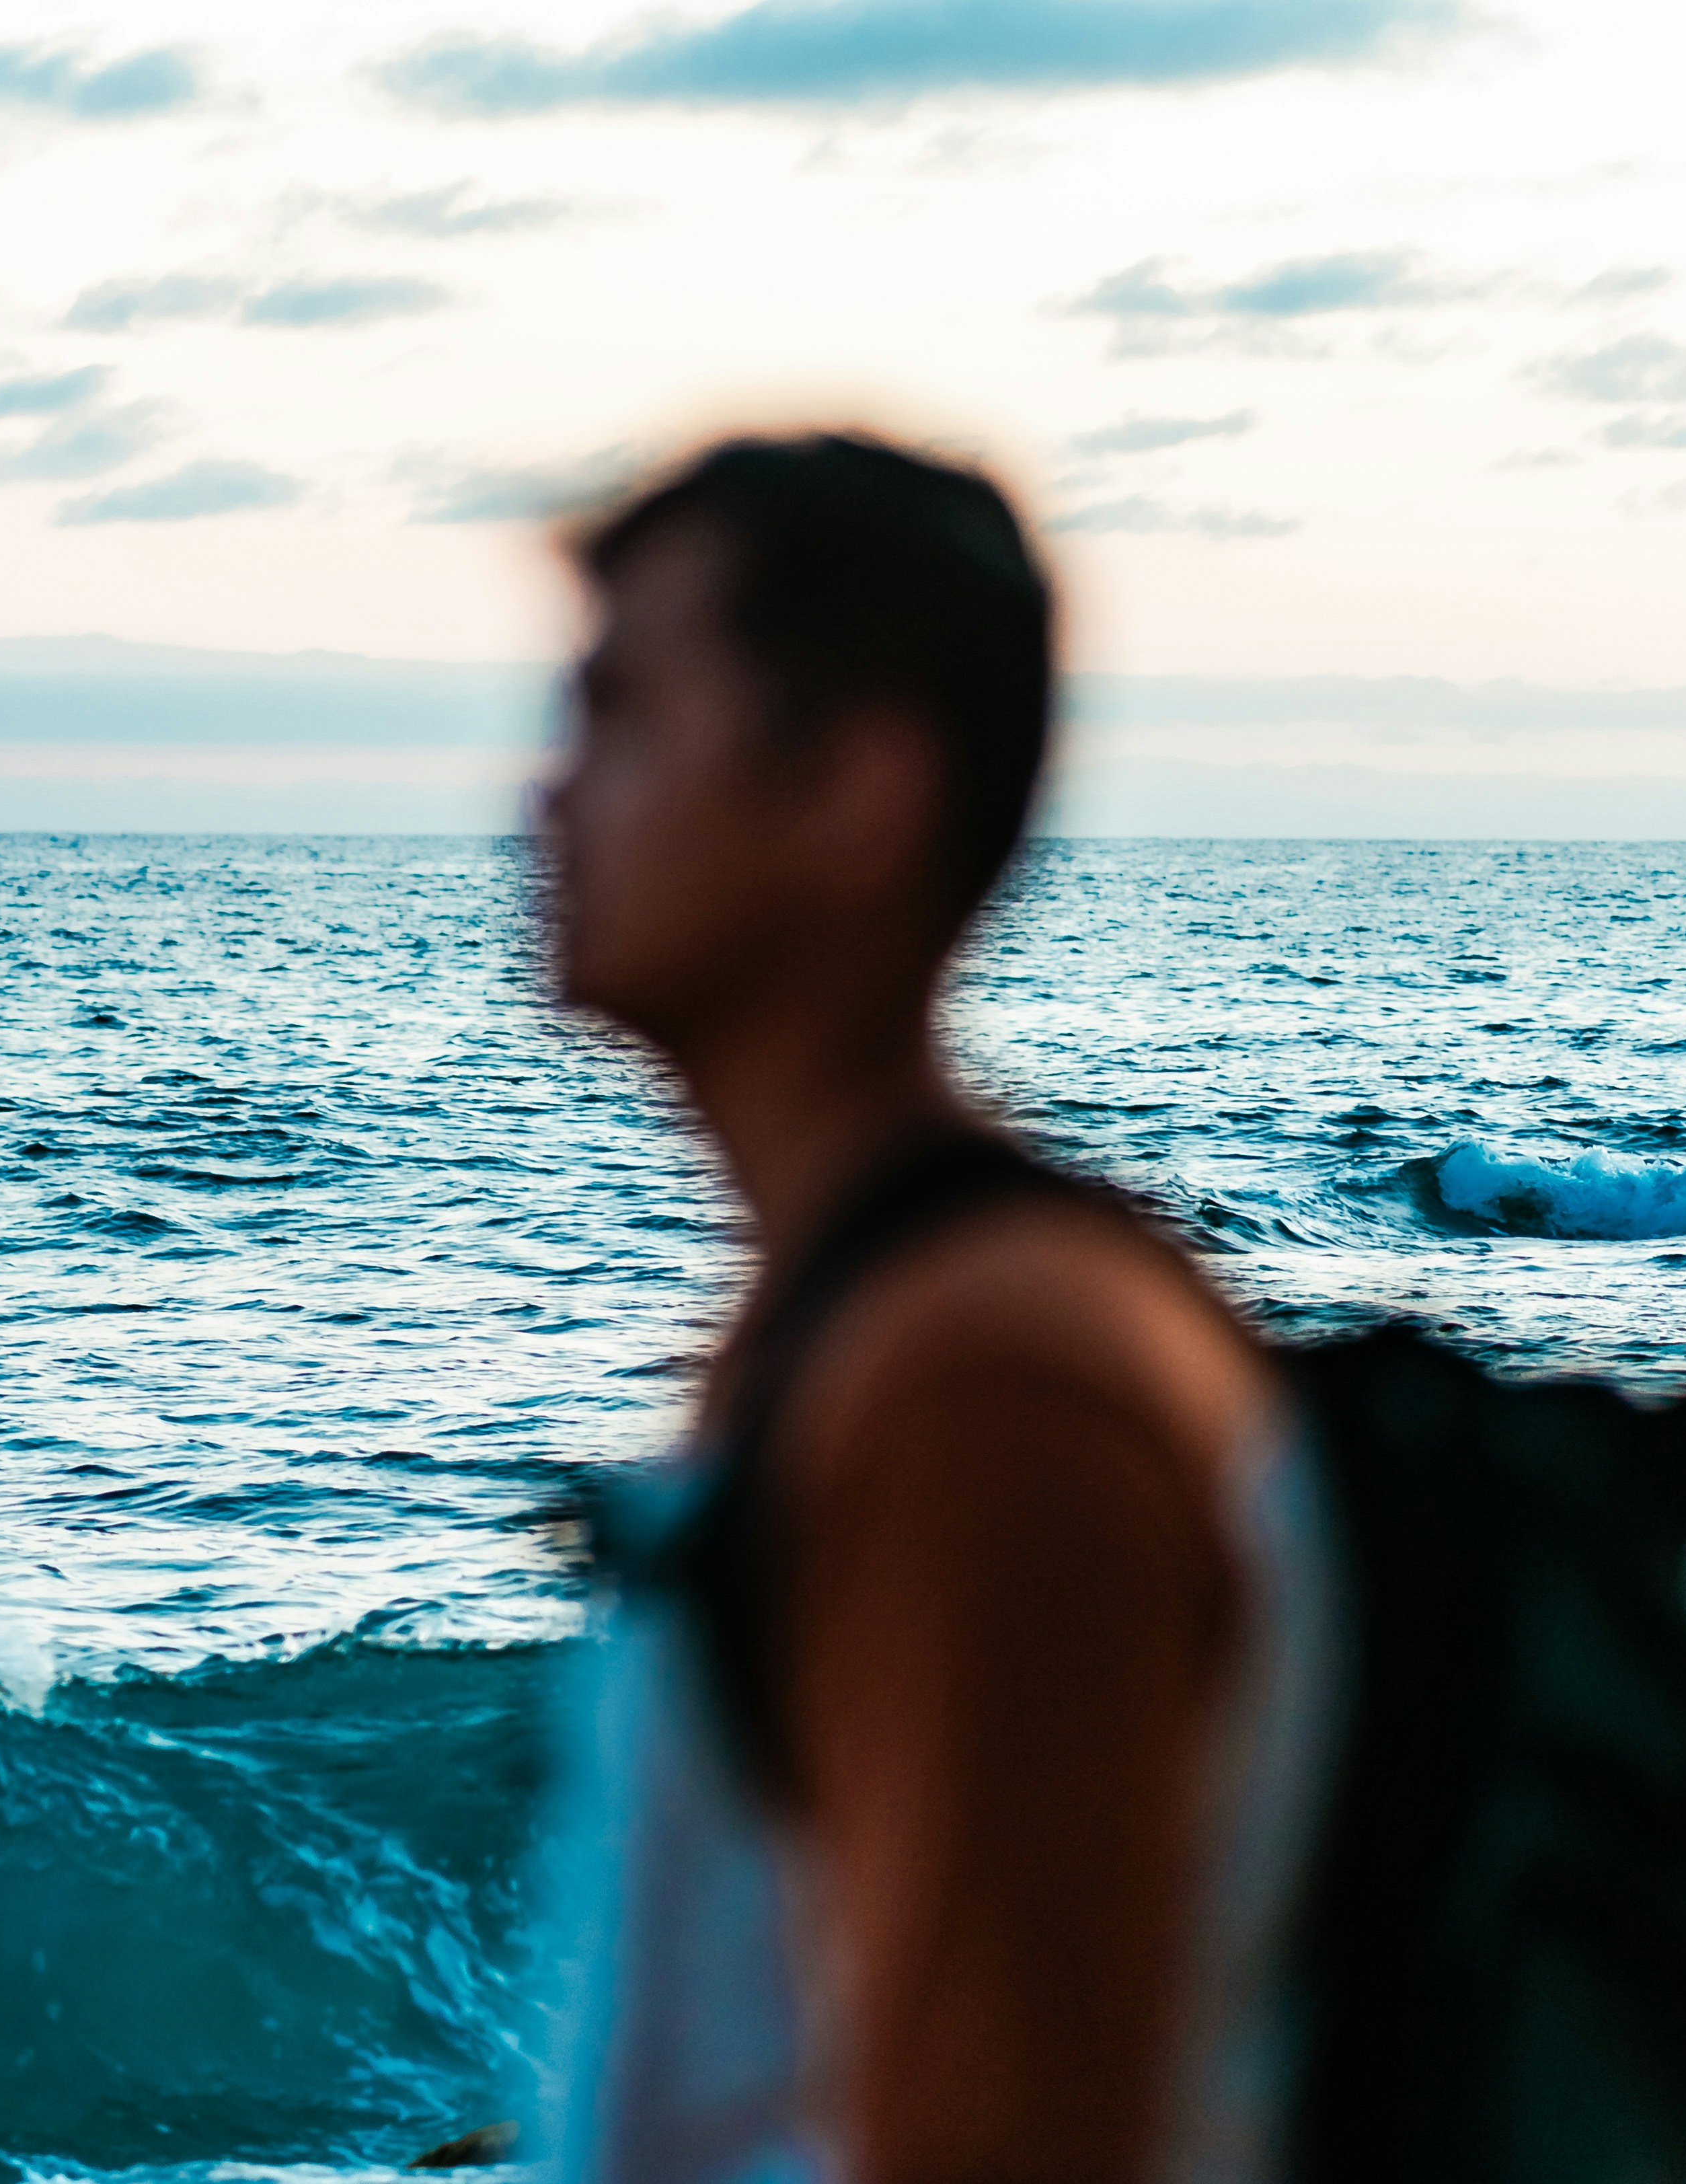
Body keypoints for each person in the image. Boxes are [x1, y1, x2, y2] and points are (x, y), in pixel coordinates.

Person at [533, 432, 1336, 2184]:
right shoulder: (855, 1322)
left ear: (858, 795)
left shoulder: (984, 1386)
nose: (544, 794)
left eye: (620, 716)